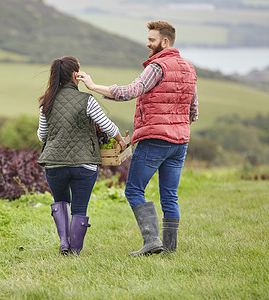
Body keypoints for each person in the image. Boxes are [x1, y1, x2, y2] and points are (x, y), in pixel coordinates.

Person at [77, 21, 198, 256]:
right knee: (170, 195)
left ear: (164, 42)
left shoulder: (157, 66)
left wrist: (92, 86)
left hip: (154, 139)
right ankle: (170, 249)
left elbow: (129, 92)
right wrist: (176, 127)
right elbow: (194, 111)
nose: (148, 43)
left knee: (133, 190)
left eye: (151, 40)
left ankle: (152, 240)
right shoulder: (189, 68)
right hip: (180, 141)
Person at [37, 56, 127, 255]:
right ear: (76, 75)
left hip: (53, 163)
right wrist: (121, 140)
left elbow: (41, 135)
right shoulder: (87, 100)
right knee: (79, 206)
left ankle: (63, 243)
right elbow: (107, 126)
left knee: (60, 201)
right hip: (84, 164)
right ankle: (75, 250)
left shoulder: (47, 102)